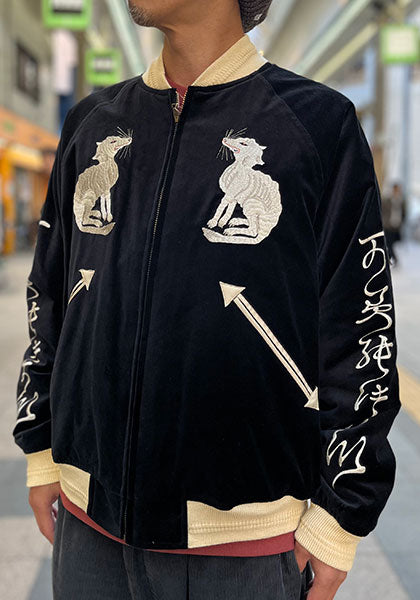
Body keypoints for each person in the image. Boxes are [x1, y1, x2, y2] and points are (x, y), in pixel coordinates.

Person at [13, 1, 401, 599]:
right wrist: (41, 446)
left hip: (245, 540)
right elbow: (50, 290)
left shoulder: (318, 126)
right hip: (88, 521)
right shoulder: (92, 124)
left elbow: (361, 327)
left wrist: (339, 517)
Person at [382, 181, 406, 266]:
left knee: (392, 243)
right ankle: (392, 259)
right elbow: (383, 211)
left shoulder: (401, 201)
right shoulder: (387, 200)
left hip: (396, 226)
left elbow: (404, 213)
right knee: (388, 243)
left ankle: (390, 259)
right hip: (388, 225)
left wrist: (401, 222)